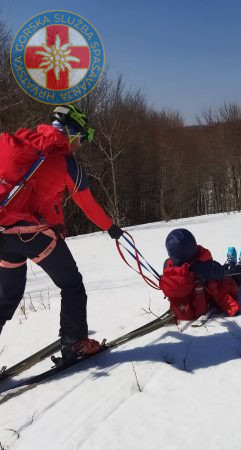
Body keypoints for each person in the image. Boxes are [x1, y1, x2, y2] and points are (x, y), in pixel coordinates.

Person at [0, 105, 123, 362]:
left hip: (3, 234)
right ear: (71, 134)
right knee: (71, 284)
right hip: (34, 236)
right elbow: (88, 205)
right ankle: (75, 344)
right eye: (81, 139)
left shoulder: (25, 146)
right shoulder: (67, 163)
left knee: (7, 297)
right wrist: (110, 227)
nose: (80, 146)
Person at [160, 228, 241, 321]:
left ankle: (230, 264)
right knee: (232, 278)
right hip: (209, 299)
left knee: (216, 274)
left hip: (187, 308)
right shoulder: (201, 267)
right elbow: (220, 273)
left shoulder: (167, 266)